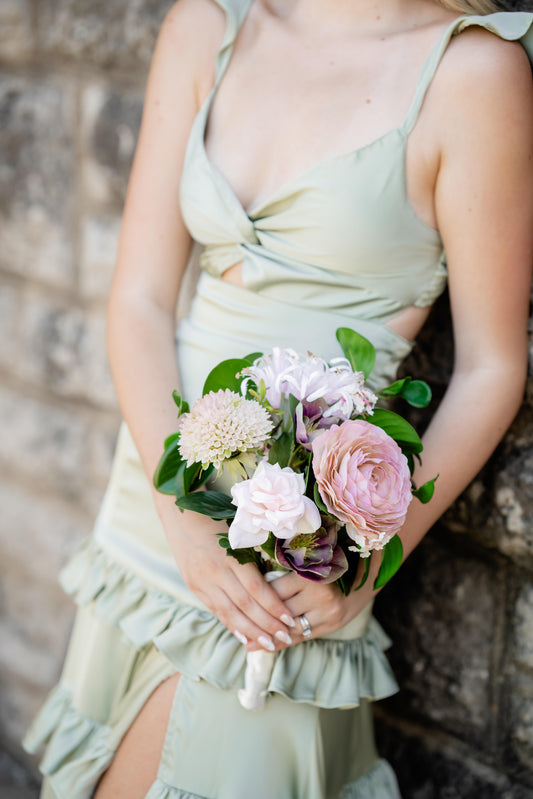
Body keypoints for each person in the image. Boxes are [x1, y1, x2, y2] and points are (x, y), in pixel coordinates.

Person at [23, 0, 533, 797]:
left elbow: (491, 367)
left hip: (295, 559)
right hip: (150, 510)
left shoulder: (470, 74)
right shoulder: (209, 25)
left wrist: (366, 564)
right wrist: (181, 519)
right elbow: (141, 301)